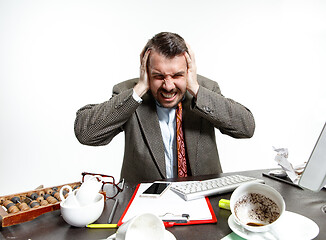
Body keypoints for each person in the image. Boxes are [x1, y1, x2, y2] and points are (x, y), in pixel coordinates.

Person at [74, 32, 255, 182]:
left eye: (177, 75)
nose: (168, 86)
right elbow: (86, 134)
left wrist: (194, 88)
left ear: (189, 71)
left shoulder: (205, 90)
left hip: (202, 197)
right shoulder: (129, 94)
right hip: (146, 204)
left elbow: (246, 128)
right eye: (159, 76)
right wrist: (140, 89)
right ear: (145, 70)